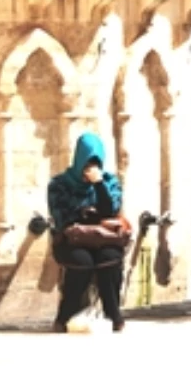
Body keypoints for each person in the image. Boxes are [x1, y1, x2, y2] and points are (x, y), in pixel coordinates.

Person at [46, 132, 126, 333]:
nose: (90, 167)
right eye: (87, 162)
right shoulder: (60, 184)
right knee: (82, 264)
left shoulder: (110, 183)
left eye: (95, 162)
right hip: (71, 239)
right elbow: (62, 216)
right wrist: (85, 212)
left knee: (110, 259)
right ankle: (64, 316)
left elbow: (110, 210)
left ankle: (114, 315)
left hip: (103, 238)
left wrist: (98, 185)